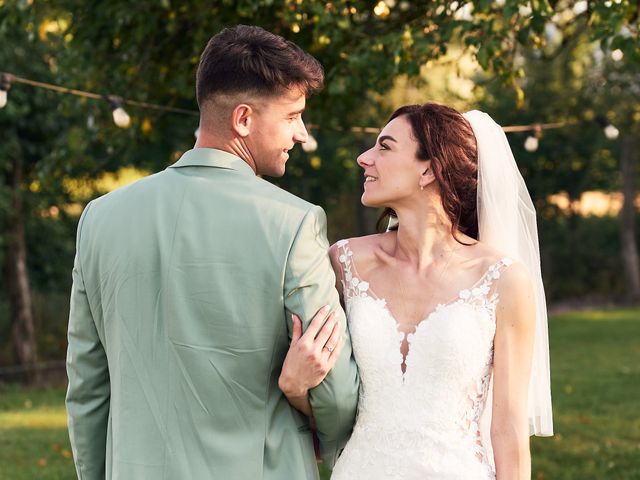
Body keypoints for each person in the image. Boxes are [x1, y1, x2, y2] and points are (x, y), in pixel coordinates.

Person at [65, 25, 359, 480]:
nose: (301, 134)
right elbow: (335, 393)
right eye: (292, 116)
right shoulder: (295, 223)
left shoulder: (100, 218)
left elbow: (87, 388)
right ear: (243, 119)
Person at [279, 103, 553, 479]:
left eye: (384, 147)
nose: (364, 158)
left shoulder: (503, 280)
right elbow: (332, 399)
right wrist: (295, 389)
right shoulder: (344, 263)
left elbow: (508, 430)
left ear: (429, 169)